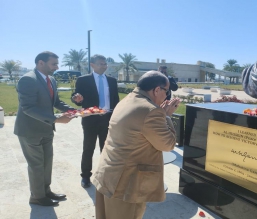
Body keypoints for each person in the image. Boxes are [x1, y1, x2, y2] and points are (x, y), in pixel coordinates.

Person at [92, 71, 181, 219]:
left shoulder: (127, 100)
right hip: (125, 185)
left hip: (108, 175)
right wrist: (166, 116)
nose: (167, 96)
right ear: (157, 90)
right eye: (167, 91)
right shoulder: (151, 110)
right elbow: (168, 144)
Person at [14, 51, 75, 206]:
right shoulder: (28, 79)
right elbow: (28, 108)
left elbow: (56, 101)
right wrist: (56, 119)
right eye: (53, 63)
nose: (57, 66)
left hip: (47, 129)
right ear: (41, 63)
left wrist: (73, 111)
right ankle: (37, 197)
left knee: (47, 163)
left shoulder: (51, 80)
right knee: (36, 165)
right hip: (30, 131)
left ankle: (45, 191)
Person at [71, 54, 120, 188]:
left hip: (108, 119)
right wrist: (76, 98)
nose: (104, 66)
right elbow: (76, 96)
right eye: (101, 64)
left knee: (106, 149)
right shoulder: (83, 80)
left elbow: (116, 100)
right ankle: (86, 176)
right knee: (88, 148)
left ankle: (105, 174)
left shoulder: (112, 81)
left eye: (105, 64)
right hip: (91, 120)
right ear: (92, 65)